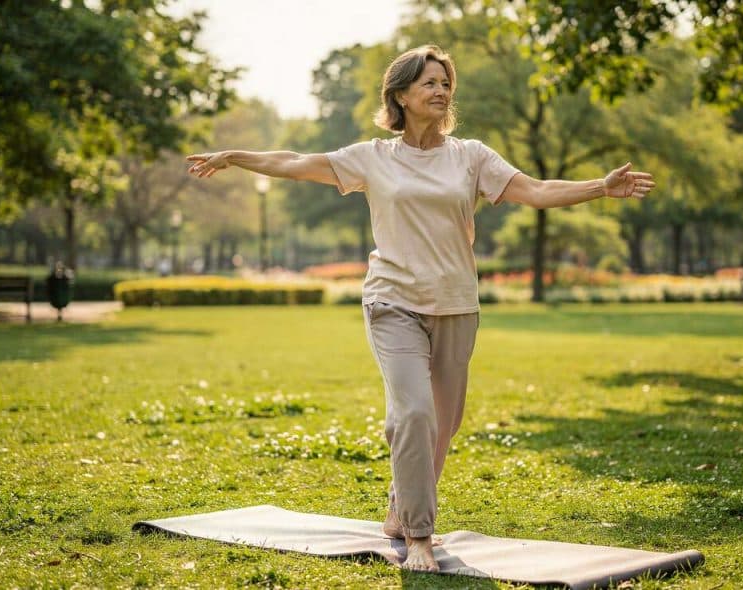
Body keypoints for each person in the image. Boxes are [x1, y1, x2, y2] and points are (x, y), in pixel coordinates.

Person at [185, 45, 655, 572]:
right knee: (412, 413)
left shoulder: (472, 156)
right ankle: (419, 537)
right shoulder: (373, 158)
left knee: (442, 427)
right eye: (429, 82)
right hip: (393, 301)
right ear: (401, 95)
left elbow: (538, 190)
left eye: (446, 83)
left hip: (456, 305)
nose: (441, 91)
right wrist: (235, 156)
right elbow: (296, 163)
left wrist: (600, 187)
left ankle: (399, 506)